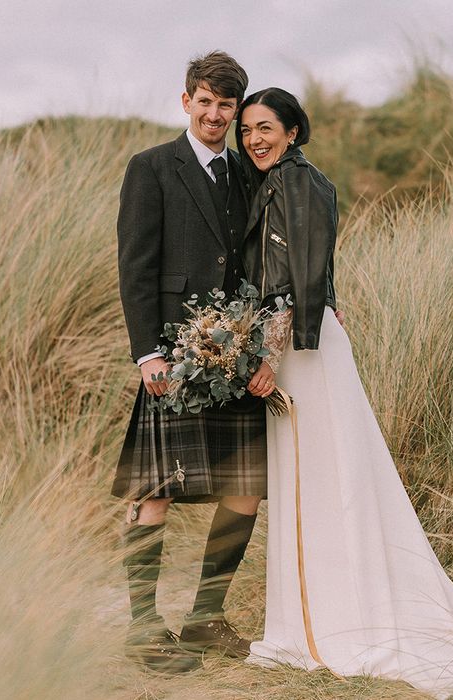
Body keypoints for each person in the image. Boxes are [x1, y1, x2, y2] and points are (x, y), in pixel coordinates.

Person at [236, 88, 453, 699]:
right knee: (320, 479)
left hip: (298, 349)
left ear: (294, 132)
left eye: (266, 128)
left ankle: (327, 622)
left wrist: (269, 358)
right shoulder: (287, 183)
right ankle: (314, 615)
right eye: (247, 129)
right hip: (310, 341)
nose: (254, 138)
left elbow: (296, 280)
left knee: (321, 480)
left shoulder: (295, 184)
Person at [112, 52, 266, 674]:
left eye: (226, 105)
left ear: (236, 111)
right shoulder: (151, 168)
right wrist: (148, 352)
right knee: (156, 493)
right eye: (204, 102)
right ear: (186, 103)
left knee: (246, 489)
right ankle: (144, 627)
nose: (215, 114)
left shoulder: (249, 174)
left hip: (235, 355)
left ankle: (205, 617)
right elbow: (136, 267)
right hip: (175, 354)